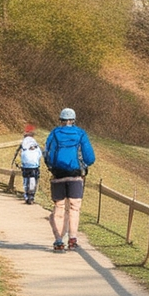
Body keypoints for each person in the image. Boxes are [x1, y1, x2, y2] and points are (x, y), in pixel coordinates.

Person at [44, 107, 95, 251]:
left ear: (61, 120)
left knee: (59, 208)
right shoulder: (80, 134)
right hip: (75, 176)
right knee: (74, 208)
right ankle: (72, 239)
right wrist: (83, 165)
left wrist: (52, 167)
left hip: (58, 175)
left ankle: (59, 241)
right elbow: (90, 157)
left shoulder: (54, 133)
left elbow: (47, 153)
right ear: (73, 120)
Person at [11, 125, 42, 204]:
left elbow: (18, 153)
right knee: (34, 180)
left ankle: (26, 196)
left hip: (25, 165)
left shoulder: (23, 143)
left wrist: (16, 162)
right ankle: (32, 196)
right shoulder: (35, 143)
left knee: (25, 180)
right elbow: (39, 154)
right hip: (34, 166)